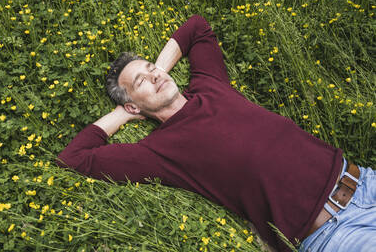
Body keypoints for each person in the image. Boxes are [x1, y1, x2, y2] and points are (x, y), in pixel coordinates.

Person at [56, 15, 375, 251]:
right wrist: (120, 114)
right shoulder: (157, 152)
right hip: (335, 234)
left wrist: (156, 70)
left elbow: (196, 27)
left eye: (151, 68)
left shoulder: (209, 84)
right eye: (141, 82)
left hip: (363, 181)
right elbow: (74, 157)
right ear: (134, 107)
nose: (154, 77)